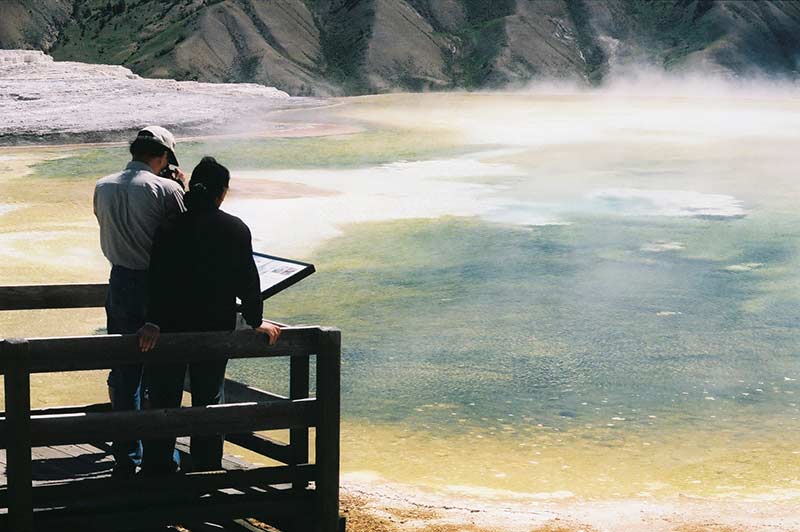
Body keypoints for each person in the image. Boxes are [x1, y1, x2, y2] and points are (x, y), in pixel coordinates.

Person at [137, 156, 281, 475]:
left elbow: (158, 280)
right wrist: (256, 321)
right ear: (222, 193)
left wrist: (153, 321)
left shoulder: (169, 226)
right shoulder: (235, 229)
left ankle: (157, 469)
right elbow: (249, 282)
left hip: (171, 329)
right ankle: (206, 471)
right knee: (208, 400)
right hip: (215, 329)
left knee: (164, 400)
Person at [93, 126, 187, 479]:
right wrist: (183, 187)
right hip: (157, 285)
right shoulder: (166, 189)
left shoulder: (103, 185)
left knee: (124, 369)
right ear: (162, 158)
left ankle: (126, 455)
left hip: (118, 282)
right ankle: (160, 458)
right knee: (161, 372)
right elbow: (184, 234)